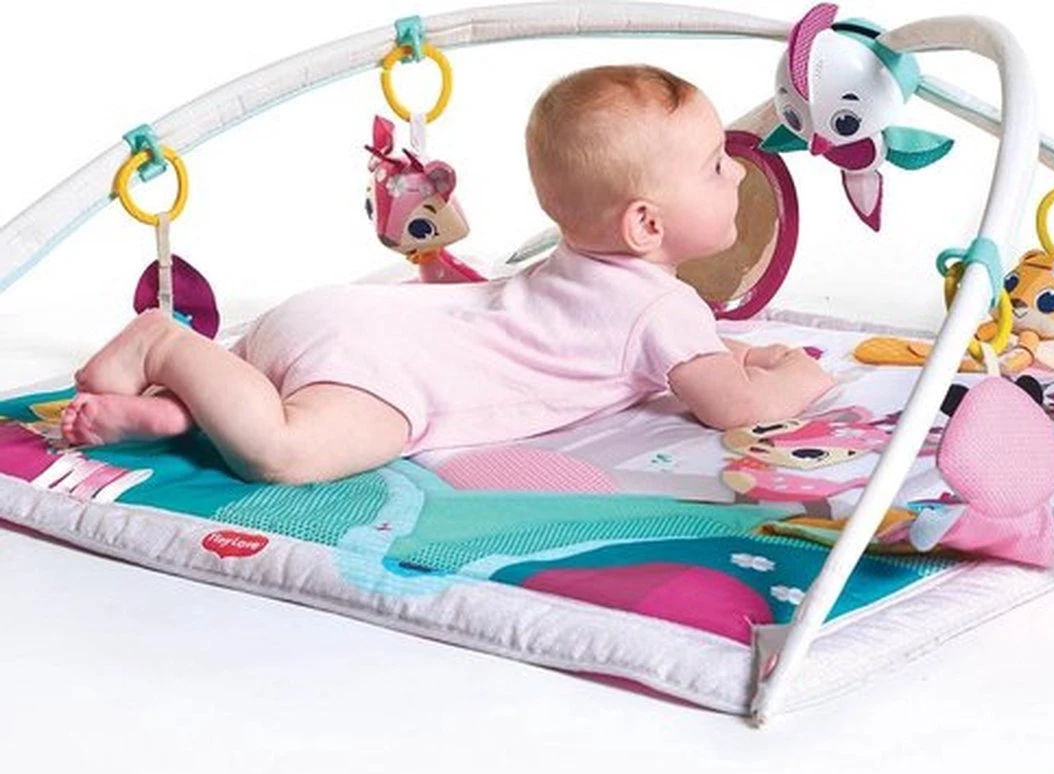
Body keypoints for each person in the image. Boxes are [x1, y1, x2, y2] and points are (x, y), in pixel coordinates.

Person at [61, 65, 833, 484]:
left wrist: (738, 352)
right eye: (716, 165)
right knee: (286, 452)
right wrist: (797, 375)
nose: (739, 173)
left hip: (345, 318)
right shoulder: (663, 309)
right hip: (392, 377)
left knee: (261, 395)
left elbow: (690, 358)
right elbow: (733, 406)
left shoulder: (579, 270)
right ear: (647, 227)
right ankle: (165, 345)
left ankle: (175, 412)